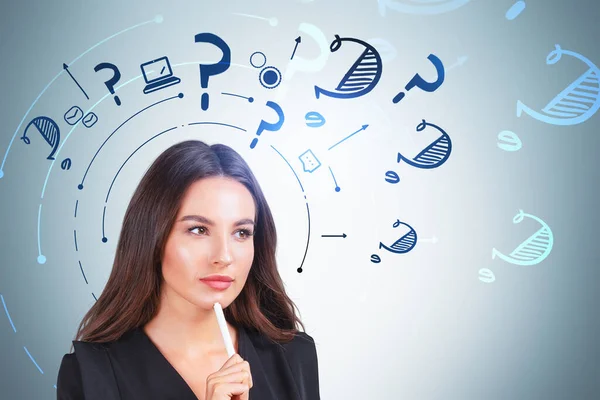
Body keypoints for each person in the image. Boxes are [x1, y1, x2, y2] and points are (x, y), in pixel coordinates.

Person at [56, 140, 320, 400]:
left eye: (241, 232)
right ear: (153, 238)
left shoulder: (293, 357)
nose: (223, 257)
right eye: (198, 230)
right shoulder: (90, 375)